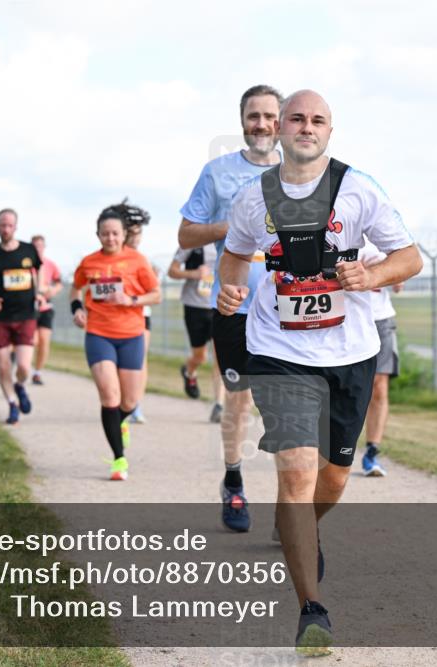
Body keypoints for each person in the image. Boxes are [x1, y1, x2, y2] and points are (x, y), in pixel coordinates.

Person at [218, 89, 422, 654]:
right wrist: (231, 287)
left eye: (318, 120)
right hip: (277, 351)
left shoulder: (359, 189)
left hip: (350, 353)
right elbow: (235, 255)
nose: (306, 127)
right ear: (278, 129)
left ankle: (300, 528)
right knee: (296, 473)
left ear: (330, 131)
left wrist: (372, 275)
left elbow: (410, 257)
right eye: (297, 119)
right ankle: (313, 608)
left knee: (331, 480)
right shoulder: (250, 197)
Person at [178, 84, 284, 533]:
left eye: (269, 116)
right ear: (242, 121)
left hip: (290, 312)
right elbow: (186, 236)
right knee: (239, 404)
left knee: (286, 409)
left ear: (283, 121)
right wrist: (234, 225)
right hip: (234, 307)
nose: (261, 124)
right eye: (253, 116)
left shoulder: (306, 173)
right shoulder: (217, 172)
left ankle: (290, 508)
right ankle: (234, 478)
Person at [70, 202, 160, 481]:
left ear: (123, 235)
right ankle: (119, 459)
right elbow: (75, 289)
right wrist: (76, 309)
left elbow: (155, 294)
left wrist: (131, 299)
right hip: (99, 334)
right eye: (105, 233)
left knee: (130, 401)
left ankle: (120, 422)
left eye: (115, 233)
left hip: (131, 334)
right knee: (110, 396)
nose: (110, 238)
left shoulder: (137, 261)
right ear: (98, 235)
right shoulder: (88, 262)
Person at [0, 208, 46, 425]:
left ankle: (20, 386)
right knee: (3, 365)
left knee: (24, 367)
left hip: (26, 314)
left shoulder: (28, 250)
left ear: (16, 227)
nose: (6, 229)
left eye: (9, 225)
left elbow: (39, 270)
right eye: (2, 225)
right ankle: (12, 403)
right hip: (1, 318)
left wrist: (40, 293)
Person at [358, 245, 404, 477]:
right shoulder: (336, 223)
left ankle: (371, 453)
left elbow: (399, 283)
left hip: (381, 319)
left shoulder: (385, 231)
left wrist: (385, 272)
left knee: (378, 387)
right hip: (346, 319)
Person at [168, 243, 225, 420]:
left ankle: (219, 405)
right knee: (199, 356)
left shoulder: (229, 238)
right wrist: (194, 273)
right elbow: (172, 271)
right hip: (195, 306)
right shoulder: (193, 241)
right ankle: (189, 371)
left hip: (220, 306)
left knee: (220, 357)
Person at [122, 209, 153, 424]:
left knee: (140, 359)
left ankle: (136, 404)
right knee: (121, 363)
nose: (135, 237)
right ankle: (122, 402)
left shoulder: (144, 260)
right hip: (117, 316)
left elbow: (154, 292)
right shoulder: (114, 257)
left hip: (142, 314)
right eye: (131, 233)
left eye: (138, 233)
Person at [31, 235, 62, 385]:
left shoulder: (50, 264)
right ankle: (20, 364)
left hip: (46, 307)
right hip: (29, 307)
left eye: (40, 245)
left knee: (44, 340)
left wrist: (52, 291)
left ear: (44, 247)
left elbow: (59, 283)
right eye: (35, 245)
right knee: (33, 340)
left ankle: (37, 372)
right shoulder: (26, 263)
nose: (38, 248)